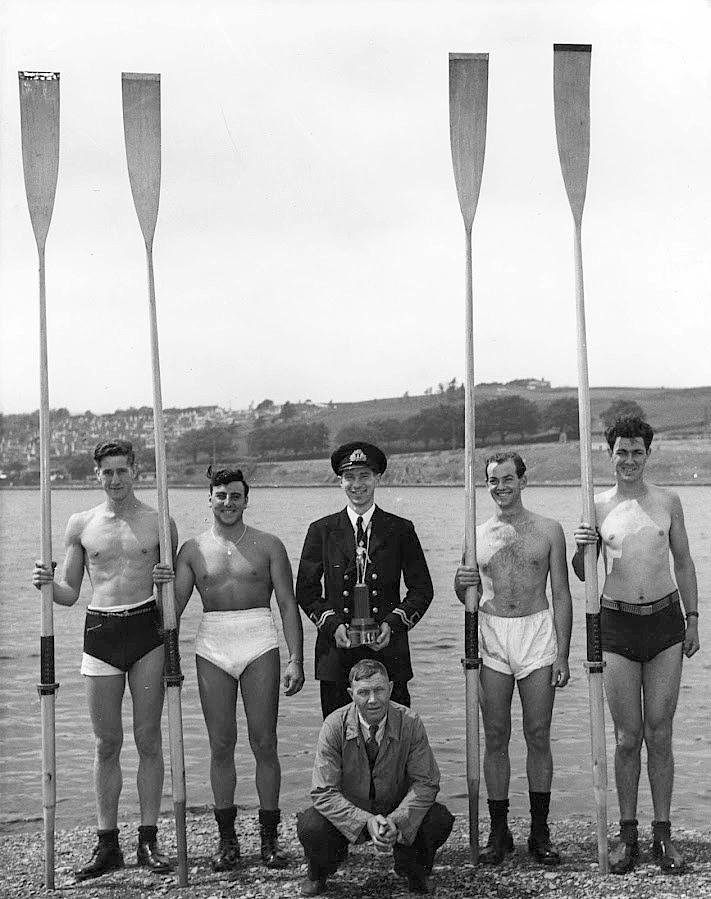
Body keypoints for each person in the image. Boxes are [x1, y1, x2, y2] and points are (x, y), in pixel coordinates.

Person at [32, 440, 176, 881]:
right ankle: (107, 842)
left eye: (122, 471)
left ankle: (148, 839)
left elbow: (172, 589)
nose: (115, 480)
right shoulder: (82, 524)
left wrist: (166, 580)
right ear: (97, 475)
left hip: (146, 629)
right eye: (107, 472)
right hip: (101, 630)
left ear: (136, 471)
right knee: (105, 743)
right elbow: (70, 592)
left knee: (149, 739)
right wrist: (45, 583)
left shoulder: (159, 520)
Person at [152, 466, 304, 871]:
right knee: (221, 744)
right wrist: (159, 587)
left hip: (259, 637)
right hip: (213, 642)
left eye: (235, 495)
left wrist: (295, 658)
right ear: (210, 499)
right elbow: (172, 612)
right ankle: (227, 840)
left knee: (264, 742)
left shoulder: (269, 544)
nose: (228, 502)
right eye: (221, 495)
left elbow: (288, 605)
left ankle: (269, 839)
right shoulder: (191, 549)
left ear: (246, 499)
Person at [573, 415, 699, 875]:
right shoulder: (597, 504)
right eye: (620, 452)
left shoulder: (669, 500)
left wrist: (693, 620)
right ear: (609, 455)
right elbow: (584, 573)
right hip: (618, 626)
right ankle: (627, 835)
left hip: (665, 623)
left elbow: (683, 562)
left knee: (659, 733)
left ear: (648, 453)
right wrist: (581, 546)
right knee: (627, 737)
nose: (628, 460)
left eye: (637, 452)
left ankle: (662, 834)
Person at [454, 450, 572, 866]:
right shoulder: (476, 532)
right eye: (493, 481)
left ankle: (540, 831)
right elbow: (466, 592)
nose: (500, 487)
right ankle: (499, 829)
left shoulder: (549, 530)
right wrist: (459, 582)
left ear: (523, 480)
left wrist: (563, 653)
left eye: (507, 479)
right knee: (497, 733)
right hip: (492, 635)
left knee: (538, 733)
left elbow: (561, 593)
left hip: (536, 632)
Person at [296, 441, 434, 719]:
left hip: (388, 652)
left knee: (394, 743)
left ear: (377, 478)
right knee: (340, 743)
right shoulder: (321, 530)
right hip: (337, 656)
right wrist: (332, 625)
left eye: (364, 476)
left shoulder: (400, 529)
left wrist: (392, 625)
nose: (357, 485)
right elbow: (306, 591)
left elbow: (422, 590)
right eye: (349, 477)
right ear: (339, 481)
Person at [296, 658, 454, 895]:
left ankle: (414, 869)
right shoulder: (333, 725)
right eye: (364, 692)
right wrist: (364, 821)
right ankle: (318, 873)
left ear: (390, 688)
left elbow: (426, 782)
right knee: (311, 825)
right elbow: (323, 791)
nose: (372, 699)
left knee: (438, 818)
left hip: (396, 809)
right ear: (351, 693)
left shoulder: (410, 722)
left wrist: (397, 820)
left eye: (379, 690)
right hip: (350, 810)